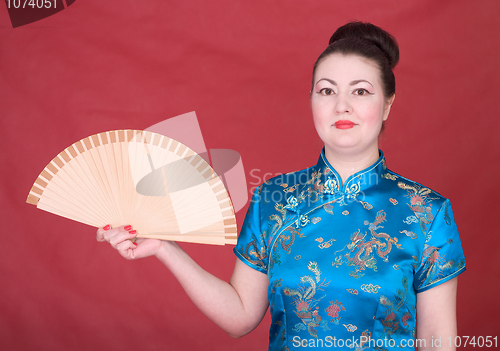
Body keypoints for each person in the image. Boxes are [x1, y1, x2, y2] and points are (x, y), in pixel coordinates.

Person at [97, 22, 466, 350]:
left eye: (360, 91)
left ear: (387, 105)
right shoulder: (273, 200)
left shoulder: (427, 212)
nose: (341, 106)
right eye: (326, 91)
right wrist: (165, 247)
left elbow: (436, 341)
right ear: (311, 102)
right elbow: (240, 317)